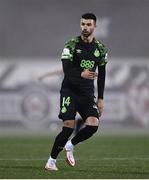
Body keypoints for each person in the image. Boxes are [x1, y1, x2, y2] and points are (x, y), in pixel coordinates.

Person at [45, 13, 108, 171]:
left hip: (86, 93)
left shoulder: (100, 48)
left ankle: (70, 145)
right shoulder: (71, 44)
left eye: (88, 24)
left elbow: (102, 74)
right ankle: (51, 161)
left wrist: (100, 98)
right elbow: (66, 69)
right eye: (82, 24)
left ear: (95, 26)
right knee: (68, 127)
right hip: (69, 91)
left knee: (93, 125)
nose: (85, 27)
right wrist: (81, 73)